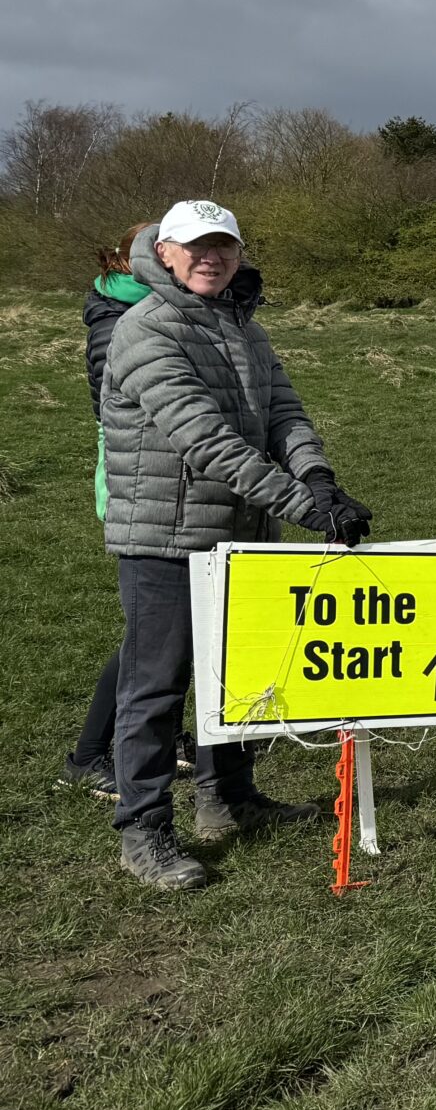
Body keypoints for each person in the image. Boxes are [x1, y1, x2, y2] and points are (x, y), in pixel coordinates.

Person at [101, 200, 370, 890]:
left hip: (244, 537)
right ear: (163, 252)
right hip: (166, 538)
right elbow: (206, 440)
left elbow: (283, 411)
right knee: (156, 690)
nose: (210, 257)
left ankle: (229, 799)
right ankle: (145, 830)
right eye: (195, 246)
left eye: (223, 246)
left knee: (242, 678)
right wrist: (306, 507)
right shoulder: (145, 330)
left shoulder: (243, 326)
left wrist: (318, 475)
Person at [61, 223, 153, 801]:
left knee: (168, 632)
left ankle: (145, 737)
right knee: (150, 634)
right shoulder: (116, 318)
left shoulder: (152, 306)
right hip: (134, 478)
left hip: (163, 484)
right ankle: (91, 754)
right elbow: (120, 403)